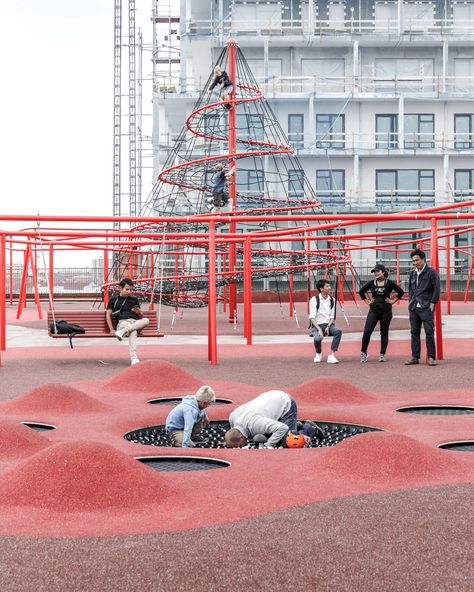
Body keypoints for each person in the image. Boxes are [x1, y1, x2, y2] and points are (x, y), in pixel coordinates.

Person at [224, 390, 320, 448]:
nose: (240, 449)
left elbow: (282, 428)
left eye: (239, 446)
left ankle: (309, 428)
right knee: (270, 434)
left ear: (241, 437)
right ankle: (295, 425)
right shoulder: (232, 417)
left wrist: (268, 445)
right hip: (270, 397)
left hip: (285, 403)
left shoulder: (255, 423)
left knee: (290, 442)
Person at [358, 263, 405, 363]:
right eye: (374, 272)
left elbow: (401, 292)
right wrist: (368, 302)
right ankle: (363, 353)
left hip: (386, 311)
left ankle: (382, 354)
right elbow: (361, 292)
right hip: (373, 311)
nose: (375, 273)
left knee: (384, 332)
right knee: (367, 331)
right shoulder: (371, 283)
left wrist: (392, 301)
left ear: (383, 272)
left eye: (377, 271)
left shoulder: (389, 283)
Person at [405, 248, 440, 366]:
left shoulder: (431, 272)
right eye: (413, 261)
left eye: (417, 260)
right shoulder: (413, 273)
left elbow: (436, 288)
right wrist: (410, 302)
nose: (415, 263)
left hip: (426, 307)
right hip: (414, 307)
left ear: (423, 259)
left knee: (429, 332)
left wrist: (433, 302)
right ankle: (415, 356)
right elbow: (410, 289)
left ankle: (431, 357)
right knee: (414, 332)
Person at [106, 278, 150, 366]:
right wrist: (111, 329)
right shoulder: (114, 299)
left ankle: (122, 332)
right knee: (133, 331)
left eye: (131, 289)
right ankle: (134, 358)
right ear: (120, 288)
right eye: (127, 289)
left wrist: (139, 313)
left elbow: (140, 316)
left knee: (146, 320)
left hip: (134, 322)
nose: (130, 292)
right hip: (123, 322)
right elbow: (108, 315)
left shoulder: (134, 299)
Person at [309, 279, 342, 364]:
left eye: (329, 286)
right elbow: (312, 318)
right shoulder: (314, 300)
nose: (329, 288)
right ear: (321, 289)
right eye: (327, 286)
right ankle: (318, 354)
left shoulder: (332, 300)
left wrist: (328, 326)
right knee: (317, 338)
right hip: (317, 325)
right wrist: (319, 330)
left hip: (329, 325)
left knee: (338, 331)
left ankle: (331, 355)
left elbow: (332, 317)